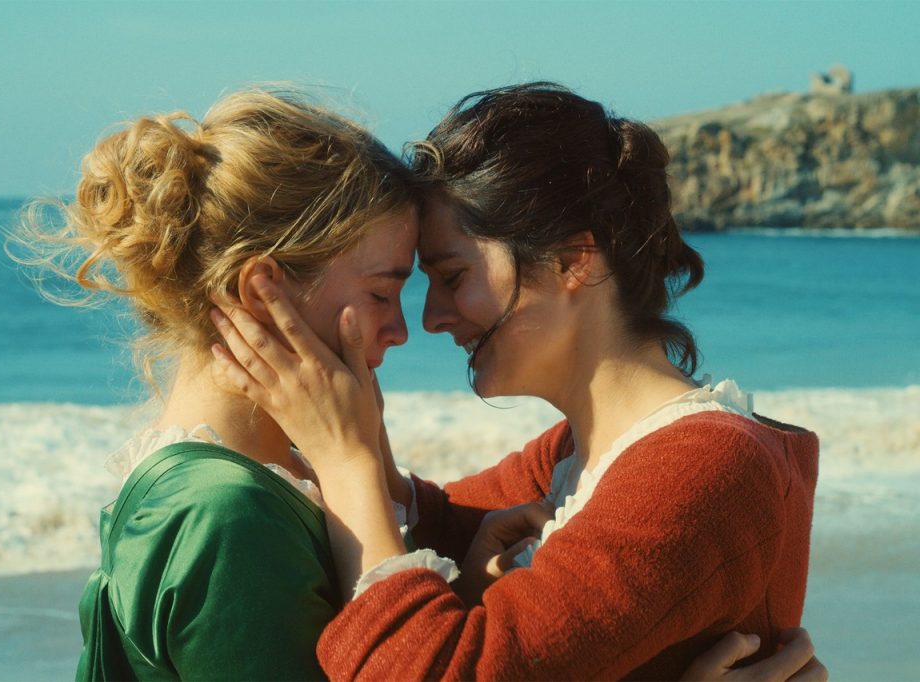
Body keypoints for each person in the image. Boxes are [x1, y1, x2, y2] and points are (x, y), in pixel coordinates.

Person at [208, 82, 822, 680]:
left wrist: (345, 459)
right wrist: (353, 427)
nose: (431, 318)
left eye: (451, 276)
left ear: (570, 261)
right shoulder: (571, 458)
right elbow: (439, 527)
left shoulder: (703, 466)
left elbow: (432, 670)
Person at [12, 88, 420, 679]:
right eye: (382, 293)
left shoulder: (266, 480)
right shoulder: (228, 517)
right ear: (263, 291)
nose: (403, 330)